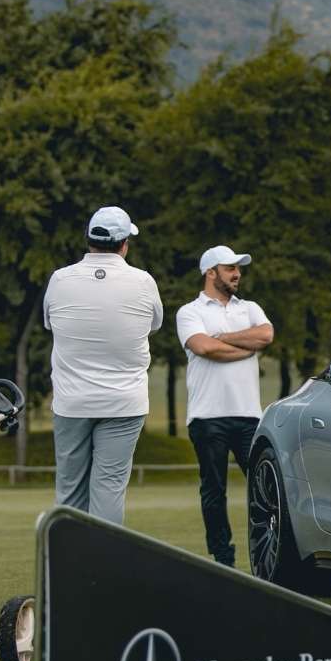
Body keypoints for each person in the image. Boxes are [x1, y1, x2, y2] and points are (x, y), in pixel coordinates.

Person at [42, 206, 163, 525]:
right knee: (109, 489)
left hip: (72, 402)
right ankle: (104, 569)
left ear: (89, 241)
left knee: (69, 491)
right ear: (124, 244)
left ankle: (70, 567)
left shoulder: (59, 279)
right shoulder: (144, 282)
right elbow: (153, 325)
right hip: (124, 402)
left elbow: (50, 323)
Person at [176, 245, 274, 567]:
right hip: (207, 417)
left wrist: (222, 337)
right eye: (230, 268)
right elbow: (204, 347)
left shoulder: (250, 307)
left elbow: (266, 335)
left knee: (265, 490)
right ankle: (223, 559)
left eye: (238, 268)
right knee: (214, 492)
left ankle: (268, 555)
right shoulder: (189, 312)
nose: (237, 274)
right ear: (210, 272)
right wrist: (243, 346)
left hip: (249, 416)